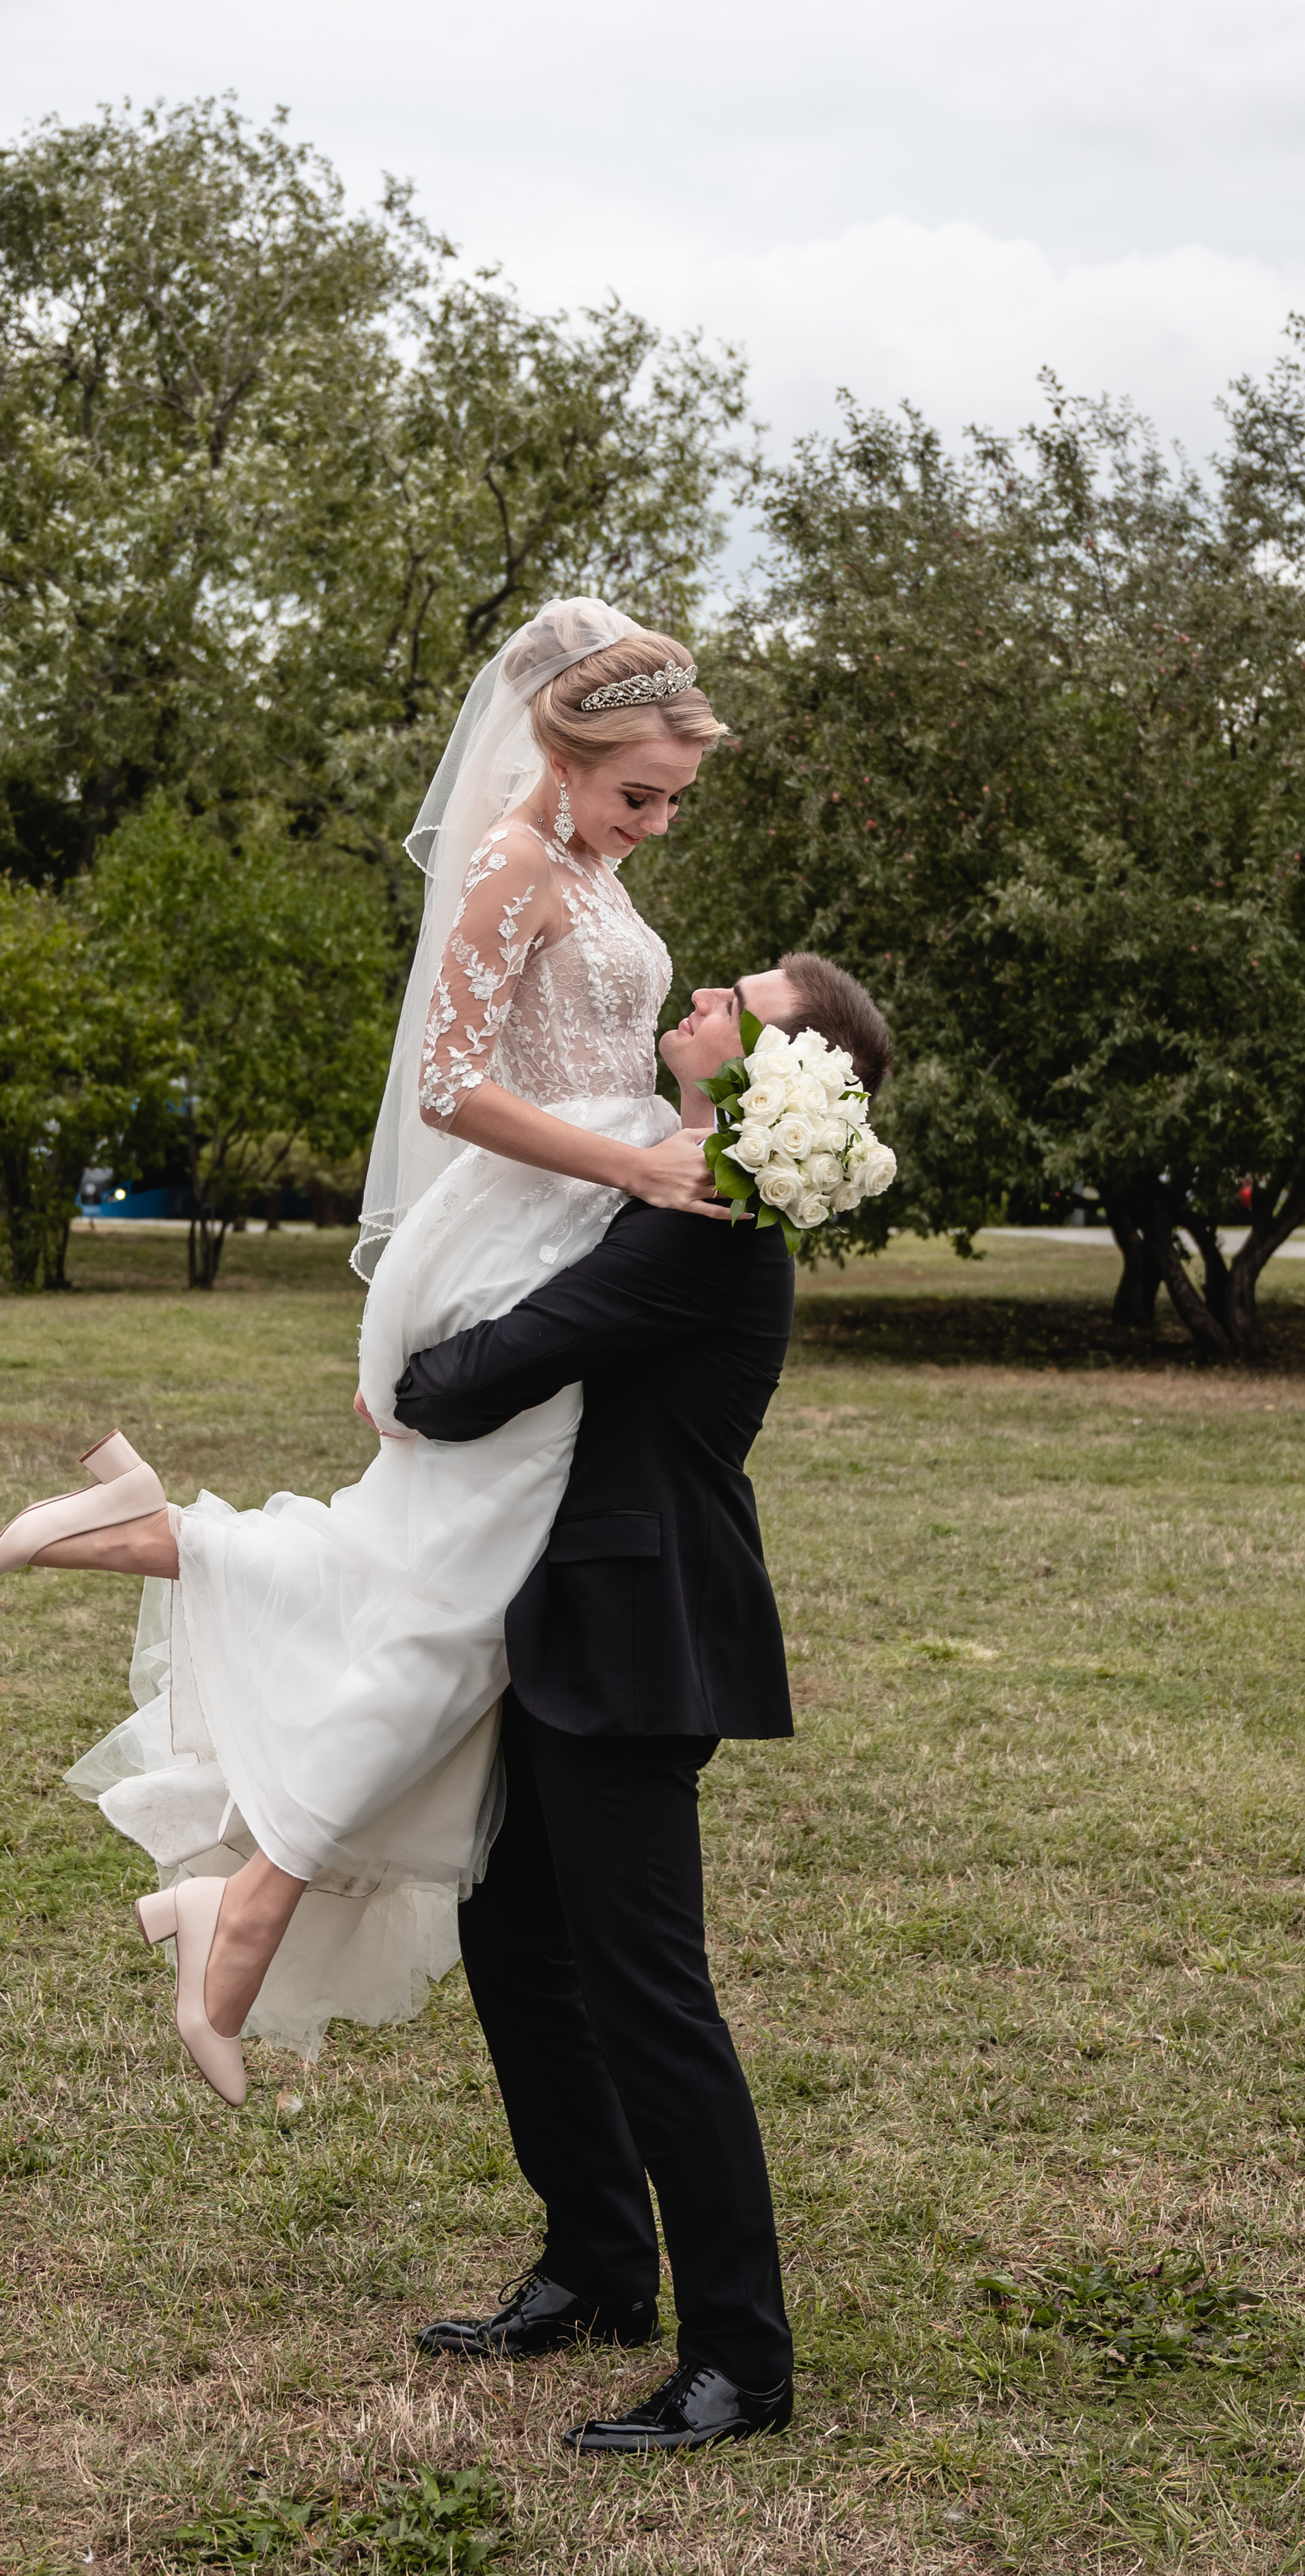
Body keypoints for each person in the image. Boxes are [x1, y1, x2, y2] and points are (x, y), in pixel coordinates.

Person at [0, 599, 731, 2094]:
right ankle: (241, 1910)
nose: (652, 823)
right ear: (558, 756)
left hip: (580, 1226)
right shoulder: (514, 866)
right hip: (522, 1231)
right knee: (451, 1603)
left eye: (671, 802)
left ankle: (166, 1568)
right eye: (636, 792)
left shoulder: (584, 865)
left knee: (444, 1587)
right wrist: (632, 1166)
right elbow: (447, 1088)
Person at [389, 963, 890, 2457]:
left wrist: (407, 1373)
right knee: (516, 1941)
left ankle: (741, 2357)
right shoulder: (662, 1183)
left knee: (648, 1997)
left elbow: (479, 1377)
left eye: (740, 992)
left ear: (765, 1066)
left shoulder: (708, 1227)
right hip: (572, 1622)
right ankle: (599, 2266)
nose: (705, 986)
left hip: (631, 1632)